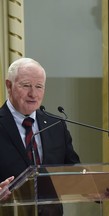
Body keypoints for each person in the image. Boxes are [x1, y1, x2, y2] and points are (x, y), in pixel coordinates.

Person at [0, 58, 80, 216]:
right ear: (9, 85)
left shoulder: (56, 125)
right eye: (26, 85)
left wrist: (98, 189)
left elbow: (72, 170)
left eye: (39, 87)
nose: (33, 94)